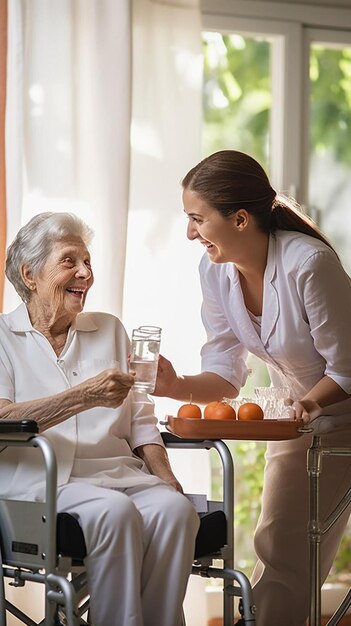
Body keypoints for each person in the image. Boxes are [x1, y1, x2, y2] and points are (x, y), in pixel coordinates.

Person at [153, 150, 351, 626]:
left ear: (239, 219)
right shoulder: (215, 272)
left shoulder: (309, 264)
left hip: (332, 414)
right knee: (280, 545)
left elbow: (346, 368)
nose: (190, 233)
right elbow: (224, 372)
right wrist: (176, 384)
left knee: (288, 553)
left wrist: (305, 403)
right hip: (296, 421)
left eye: (197, 219)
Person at [0, 212, 199, 626]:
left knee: (175, 510)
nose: (86, 274)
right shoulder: (3, 338)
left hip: (119, 474)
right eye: (70, 261)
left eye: (88, 262)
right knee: (115, 512)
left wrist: (166, 476)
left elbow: (141, 417)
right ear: (29, 274)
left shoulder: (108, 328)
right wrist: (84, 396)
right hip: (42, 482)